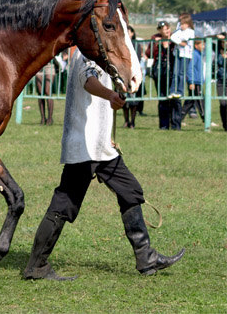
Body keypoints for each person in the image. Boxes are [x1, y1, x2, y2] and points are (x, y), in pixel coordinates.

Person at [23, 48, 184, 281]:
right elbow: (89, 81)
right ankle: (36, 266)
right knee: (64, 204)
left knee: (129, 190)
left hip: (99, 147)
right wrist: (110, 95)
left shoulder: (97, 53)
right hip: (86, 147)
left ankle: (145, 257)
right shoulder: (87, 54)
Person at [146, 21, 179, 130]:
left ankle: (175, 124)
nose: (166, 30)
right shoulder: (155, 39)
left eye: (167, 28)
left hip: (173, 69)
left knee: (174, 97)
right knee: (163, 97)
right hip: (160, 70)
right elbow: (148, 53)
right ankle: (164, 124)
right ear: (159, 30)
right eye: (163, 29)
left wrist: (171, 41)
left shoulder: (175, 37)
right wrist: (156, 44)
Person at [169, 13, 195, 99]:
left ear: (188, 24)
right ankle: (172, 91)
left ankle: (180, 91)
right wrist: (180, 42)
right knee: (175, 73)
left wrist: (179, 40)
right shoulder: (179, 31)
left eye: (183, 24)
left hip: (186, 55)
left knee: (181, 73)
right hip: (178, 54)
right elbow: (172, 37)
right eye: (181, 23)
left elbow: (186, 38)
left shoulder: (191, 32)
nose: (182, 25)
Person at [180, 40, 205, 122]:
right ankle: (206, 119)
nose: (204, 46)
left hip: (198, 81)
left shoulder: (199, 54)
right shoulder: (194, 54)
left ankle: (178, 118)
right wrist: (191, 81)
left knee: (189, 102)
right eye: (202, 44)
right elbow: (190, 68)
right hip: (195, 82)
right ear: (196, 45)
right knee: (201, 101)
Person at [122, 26, 141, 128]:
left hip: (133, 74)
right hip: (122, 74)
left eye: (128, 31)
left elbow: (137, 58)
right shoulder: (120, 43)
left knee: (133, 100)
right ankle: (126, 120)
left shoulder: (136, 45)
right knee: (123, 99)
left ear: (132, 33)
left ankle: (132, 121)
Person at [35, 59, 56, 125]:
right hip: (39, 64)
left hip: (49, 64)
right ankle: (43, 118)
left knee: (48, 91)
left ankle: (50, 118)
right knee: (40, 92)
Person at [215, 35, 226, 131]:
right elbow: (205, 39)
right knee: (223, 103)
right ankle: (225, 124)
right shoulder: (218, 50)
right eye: (222, 42)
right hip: (220, 81)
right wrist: (216, 36)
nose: (224, 44)